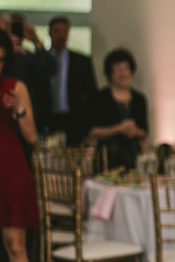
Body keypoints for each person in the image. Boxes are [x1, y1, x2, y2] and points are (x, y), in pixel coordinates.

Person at [0, 30, 39, 262]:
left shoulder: (16, 87)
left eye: (1, 59)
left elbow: (31, 137)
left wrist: (18, 110)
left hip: (10, 170)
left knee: (16, 246)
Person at [87, 48, 148, 170]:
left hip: (133, 160)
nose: (123, 73)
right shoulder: (99, 98)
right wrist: (119, 129)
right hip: (107, 159)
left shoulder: (139, 99)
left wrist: (134, 131)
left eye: (126, 68)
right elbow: (92, 131)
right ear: (110, 73)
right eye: (118, 69)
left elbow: (144, 131)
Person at [43, 15, 98, 146]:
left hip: (73, 119)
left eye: (65, 31)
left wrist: (87, 120)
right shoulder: (42, 60)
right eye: (57, 31)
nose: (61, 36)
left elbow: (92, 93)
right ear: (50, 32)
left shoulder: (81, 61)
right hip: (47, 118)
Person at [6, 13, 58, 133]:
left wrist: (36, 40)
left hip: (29, 114)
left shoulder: (29, 57)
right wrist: (8, 51)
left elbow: (50, 69)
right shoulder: (4, 57)